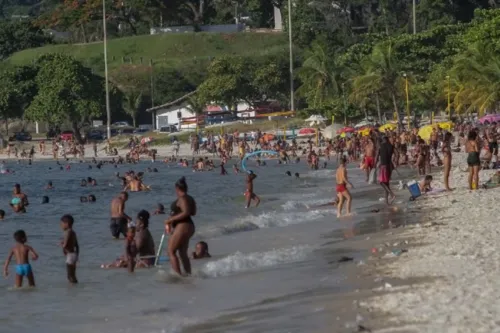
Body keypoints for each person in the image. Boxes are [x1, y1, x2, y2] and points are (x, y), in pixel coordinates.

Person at [164, 177, 196, 276]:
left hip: (183, 225)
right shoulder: (190, 198)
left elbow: (186, 212)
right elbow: (193, 212)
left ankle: (178, 276)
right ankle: (188, 274)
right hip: (189, 226)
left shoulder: (182, 198)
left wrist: (170, 219)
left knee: (170, 251)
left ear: (177, 188)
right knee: (182, 253)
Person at [376, 136, 396, 205]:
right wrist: (395, 161)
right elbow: (397, 154)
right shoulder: (391, 146)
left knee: (381, 182)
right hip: (390, 166)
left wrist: (374, 166)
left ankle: (392, 194)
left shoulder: (380, 146)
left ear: (383, 140)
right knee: (387, 184)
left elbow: (376, 157)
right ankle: (387, 202)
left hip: (383, 166)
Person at [60, 214, 79, 283]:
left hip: (70, 255)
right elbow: (77, 245)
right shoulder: (73, 232)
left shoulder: (67, 232)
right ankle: (74, 287)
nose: (61, 226)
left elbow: (65, 244)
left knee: (69, 275)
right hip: (74, 254)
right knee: (73, 274)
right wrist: (77, 255)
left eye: (61, 224)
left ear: (66, 224)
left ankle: (72, 287)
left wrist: (62, 245)